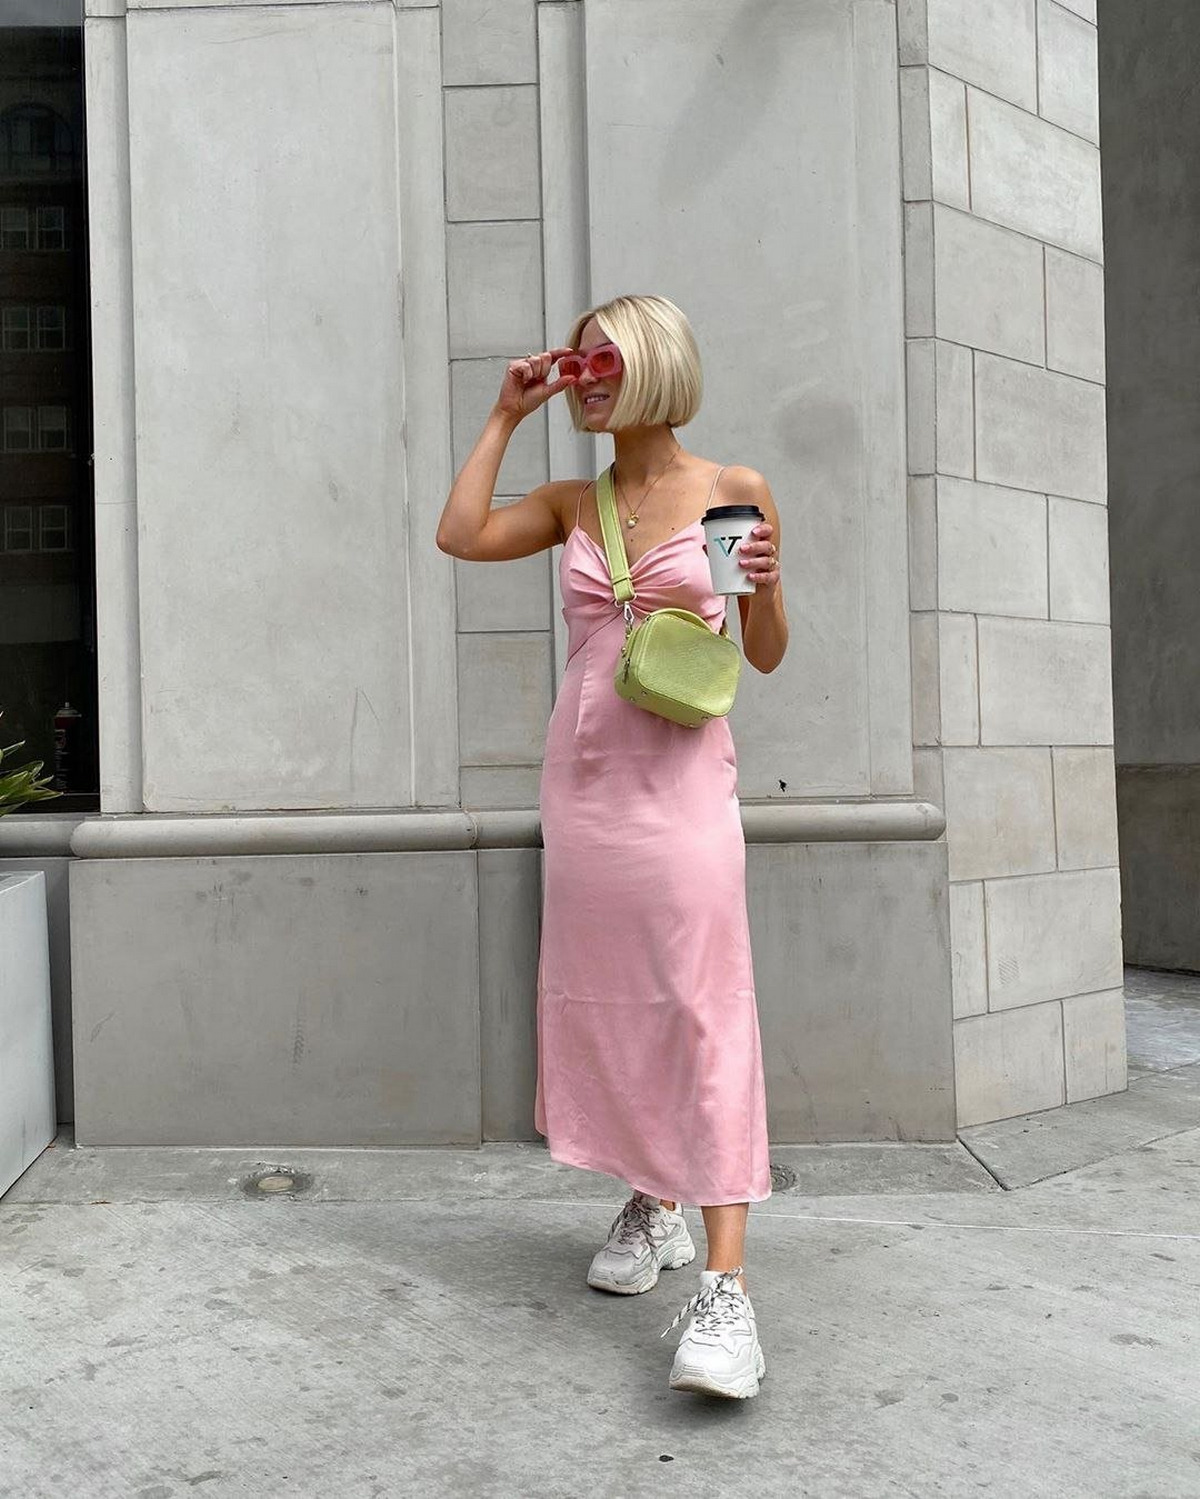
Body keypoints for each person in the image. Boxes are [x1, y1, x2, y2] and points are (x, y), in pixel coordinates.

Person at [437, 294, 788, 1400]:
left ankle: (727, 1298)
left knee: (701, 1003)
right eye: (576, 360)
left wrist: (767, 582)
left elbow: (764, 652)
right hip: (584, 787)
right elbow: (459, 532)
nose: (584, 376)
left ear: (652, 366)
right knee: (609, 996)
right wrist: (503, 412)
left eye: (602, 359)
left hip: (682, 786)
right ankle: (654, 1197)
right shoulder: (568, 501)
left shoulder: (733, 490)